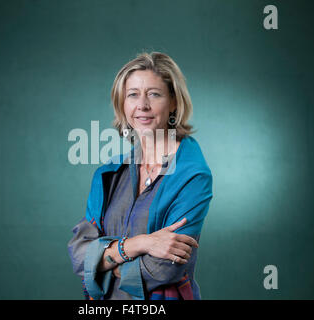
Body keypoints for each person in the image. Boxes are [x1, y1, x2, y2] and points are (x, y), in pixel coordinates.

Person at [67, 52, 213, 300]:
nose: (142, 105)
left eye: (154, 94)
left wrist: (102, 262)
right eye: (133, 94)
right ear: (122, 104)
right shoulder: (108, 174)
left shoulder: (193, 175)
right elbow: (79, 254)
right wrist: (139, 244)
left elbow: (164, 269)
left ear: (174, 102)